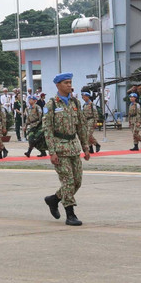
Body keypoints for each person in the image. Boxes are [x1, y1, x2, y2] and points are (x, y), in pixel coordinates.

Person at [42, 73, 90, 226]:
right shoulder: (51, 105)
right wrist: (52, 152)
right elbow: (47, 130)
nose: (69, 85)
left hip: (74, 147)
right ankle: (70, 214)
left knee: (77, 182)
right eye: (66, 83)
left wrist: (86, 147)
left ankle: (54, 199)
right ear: (58, 85)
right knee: (68, 181)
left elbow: (81, 126)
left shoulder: (75, 102)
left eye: (70, 82)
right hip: (59, 148)